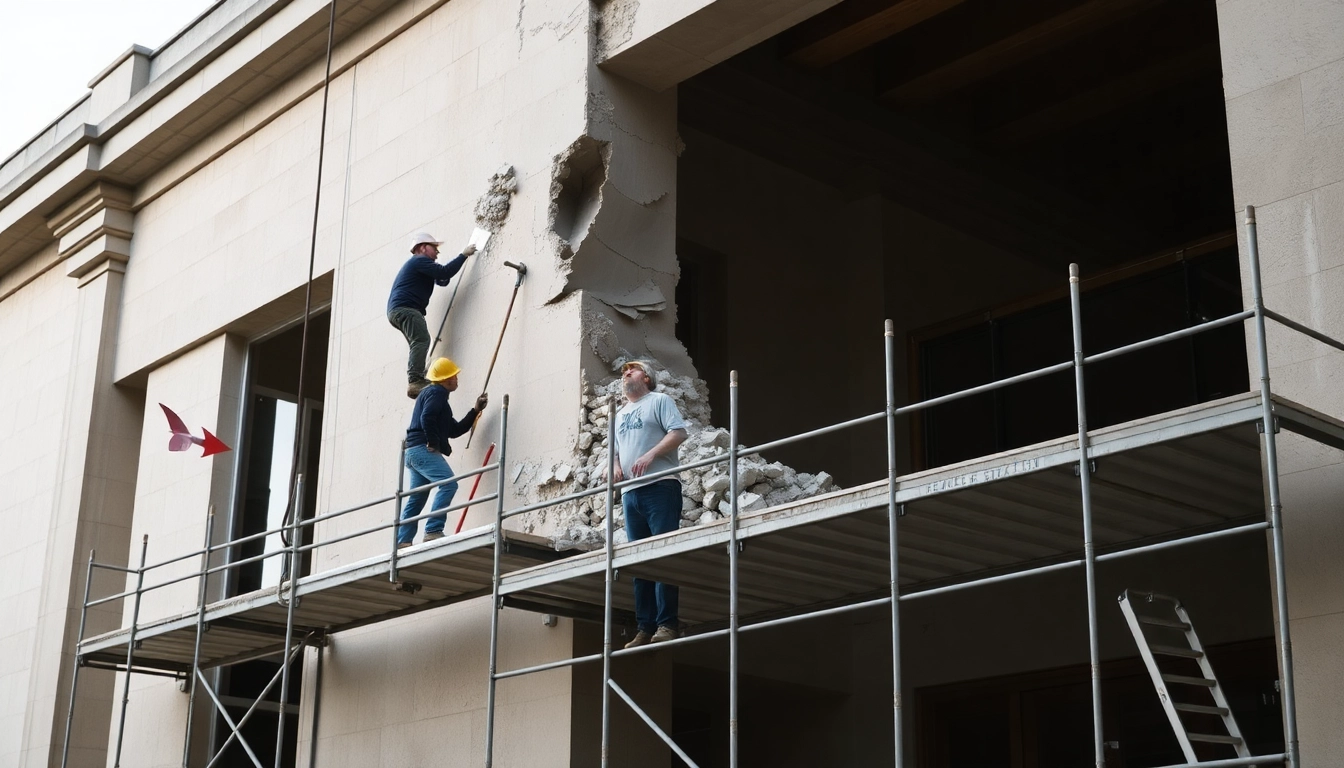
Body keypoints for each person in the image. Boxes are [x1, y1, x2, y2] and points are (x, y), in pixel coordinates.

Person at [611, 360, 689, 647]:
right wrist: (616, 464)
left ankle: (666, 623)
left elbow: (678, 433)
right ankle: (644, 627)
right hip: (632, 493)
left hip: (660, 487)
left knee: (663, 555)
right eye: (623, 372)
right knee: (639, 562)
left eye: (631, 370)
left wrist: (650, 455)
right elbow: (616, 451)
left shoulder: (659, 400)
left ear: (646, 377)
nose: (625, 374)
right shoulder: (620, 414)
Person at [398, 357, 488, 548]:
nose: (457, 379)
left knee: (418, 496)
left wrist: (475, 410)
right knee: (449, 485)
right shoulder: (436, 393)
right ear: (446, 379)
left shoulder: (437, 398)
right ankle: (433, 531)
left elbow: (453, 430)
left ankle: (403, 540)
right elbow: (427, 417)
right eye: (454, 376)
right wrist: (432, 440)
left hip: (413, 451)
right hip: (422, 449)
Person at [387, 232, 478, 398]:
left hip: (399, 310)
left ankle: (419, 378)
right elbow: (444, 273)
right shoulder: (419, 261)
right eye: (434, 248)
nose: (437, 252)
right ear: (422, 247)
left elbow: (441, 279)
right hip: (406, 309)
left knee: (418, 343)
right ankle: (415, 381)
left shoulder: (419, 265)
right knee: (422, 340)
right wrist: (463, 256)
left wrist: (443, 275)